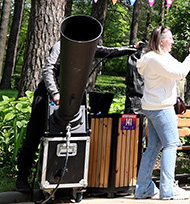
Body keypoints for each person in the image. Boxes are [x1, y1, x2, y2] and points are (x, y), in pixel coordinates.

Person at [15, 40, 137, 193]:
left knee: (73, 136)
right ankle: (22, 178)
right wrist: (55, 93)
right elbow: (48, 69)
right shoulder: (61, 45)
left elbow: (109, 51)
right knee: (34, 135)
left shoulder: (88, 47)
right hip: (47, 96)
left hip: (73, 96)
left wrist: (132, 48)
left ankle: (65, 177)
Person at [133, 26, 190, 200]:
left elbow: (177, 67)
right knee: (171, 145)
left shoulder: (157, 56)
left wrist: (189, 55)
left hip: (153, 107)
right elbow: (181, 73)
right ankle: (167, 189)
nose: (172, 41)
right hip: (161, 108)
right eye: (170, 38)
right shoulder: (155, 59)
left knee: (154, 147)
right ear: (161, 40)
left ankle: (143, 188)